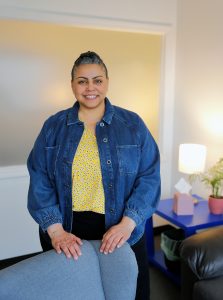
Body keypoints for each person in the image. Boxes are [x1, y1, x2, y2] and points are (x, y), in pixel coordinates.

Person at [27, 51, 160, 300]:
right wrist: (56, 232)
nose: (90, 88)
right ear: (72, 85)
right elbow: (39, 178)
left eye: (97, 80)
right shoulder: (53, 127)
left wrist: (128, 223)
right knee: (73, 293)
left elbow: (149, 176)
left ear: (107, 82)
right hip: (67, 230)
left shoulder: (133, 125)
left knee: (132, 293)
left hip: (122, 230)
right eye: (82, 81)